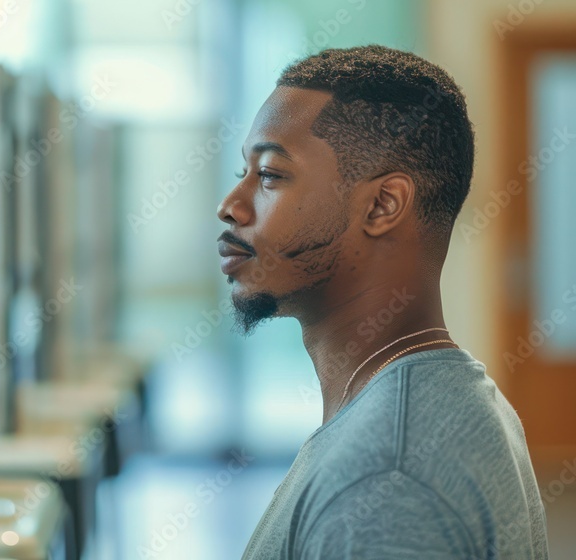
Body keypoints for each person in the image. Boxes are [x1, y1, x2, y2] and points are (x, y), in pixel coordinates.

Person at [217, 45, 548, 559]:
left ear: (383, 205)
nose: (231, 207)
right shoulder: (438, 400)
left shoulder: (387, 481)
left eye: (270, 176)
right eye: (245, 171)